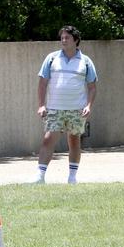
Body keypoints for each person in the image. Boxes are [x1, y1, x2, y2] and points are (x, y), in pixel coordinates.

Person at [33, 26, 98, 184]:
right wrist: (41, 105)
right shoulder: (52, 58)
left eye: (67, 38)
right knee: (48, 139)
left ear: (76, 40)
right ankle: (40, 177)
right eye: (62, 37)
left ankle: (72, 177)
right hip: (55, 108)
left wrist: (88, 106)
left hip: (76, 109)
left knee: (74, 140)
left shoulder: (86, 61)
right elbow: (42, 83)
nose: (63, 40)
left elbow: (92, 87)